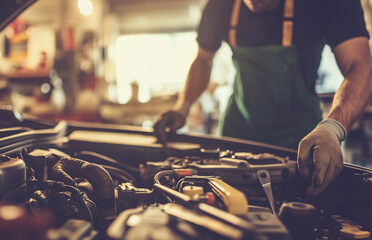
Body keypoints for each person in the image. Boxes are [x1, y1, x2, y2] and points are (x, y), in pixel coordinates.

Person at [153, 0, 372, 195]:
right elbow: (203, 59)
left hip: (300, 146)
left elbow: (360, 65)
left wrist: (333, 128)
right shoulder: (219, 5)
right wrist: (183, 106)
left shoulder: (329, 3)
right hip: (236, 142)